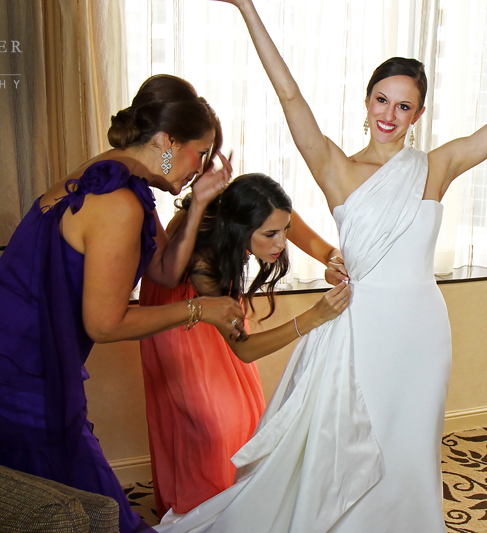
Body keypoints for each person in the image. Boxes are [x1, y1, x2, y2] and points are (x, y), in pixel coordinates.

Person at [150, 0, 487, 533]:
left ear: (418, 115)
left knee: (410, 448)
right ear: (366, 100)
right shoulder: (336, 168)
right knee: (350, 448)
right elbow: (289, 95)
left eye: (404, 106)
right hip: (360, 328)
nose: (389, 115)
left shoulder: (435, 167)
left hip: (423, 331)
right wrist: (244, 5)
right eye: (381, 100)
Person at [0, 74, 253, 533]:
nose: (199, 168)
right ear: (167, 140)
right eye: (198, 153)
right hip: (15, 362)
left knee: (39, 502)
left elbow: (162, 270)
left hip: (8, 349)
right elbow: (105, 324)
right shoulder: (119, 201)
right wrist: (201, 310)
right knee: (93, 508)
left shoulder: (114, 176)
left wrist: (199, 202)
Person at [140, 173, 350, 516]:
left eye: (283, 230)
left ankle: (235, 503)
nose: (281, 242)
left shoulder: (255, 205)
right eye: (270, 235)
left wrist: (330, 259)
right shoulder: (204, 263)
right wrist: (312, 318)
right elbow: (245, 348)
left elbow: (296, 229)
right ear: (238, 230)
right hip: (180, 320)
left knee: (244, 416)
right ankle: (201, 509)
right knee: (212, 425)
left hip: (221, 310)